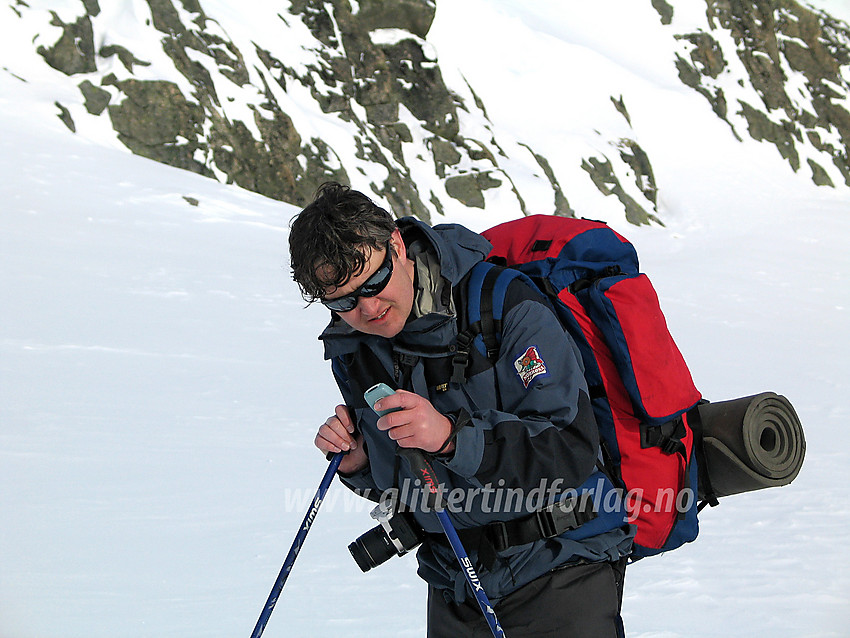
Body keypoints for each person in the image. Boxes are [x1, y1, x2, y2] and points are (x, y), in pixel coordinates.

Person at [288, 182, 634, 637]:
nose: (368, 307)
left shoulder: (502, 305)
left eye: (374, 281)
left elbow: (569, 447)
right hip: (455, 582)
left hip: (560, 563)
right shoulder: (357, 350)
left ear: (396, 243)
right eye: (343, 300)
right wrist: (361, 465)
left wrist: (452, 438)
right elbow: (412, 484)